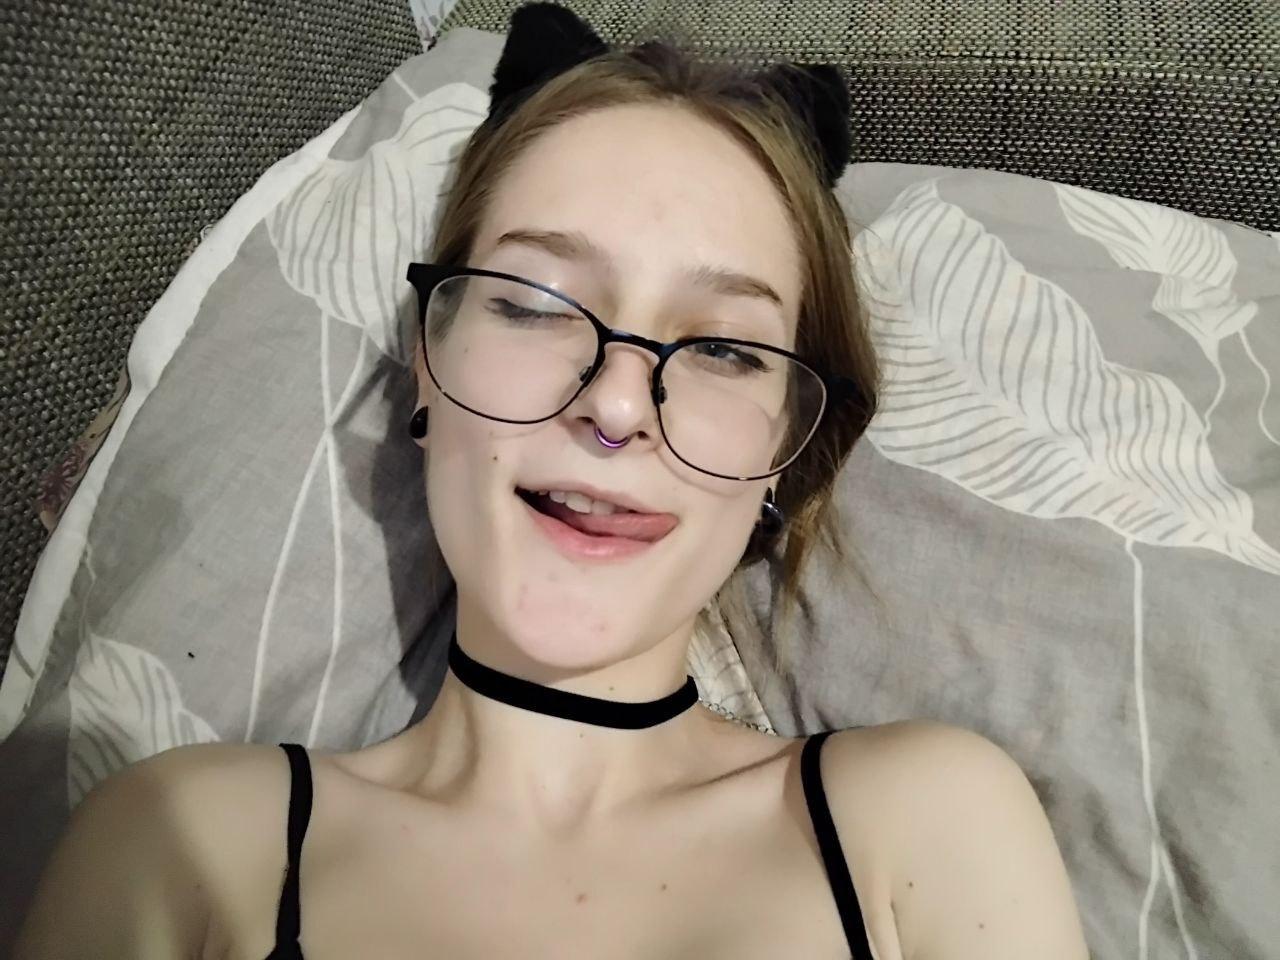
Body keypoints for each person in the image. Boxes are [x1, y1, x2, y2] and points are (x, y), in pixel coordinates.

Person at [14, 4, 1090, 958]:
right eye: (531, 304)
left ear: (788, 449)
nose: (616, 408)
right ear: (428, 363)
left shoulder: (918, 827)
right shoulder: (186, 844)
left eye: (724, 348)